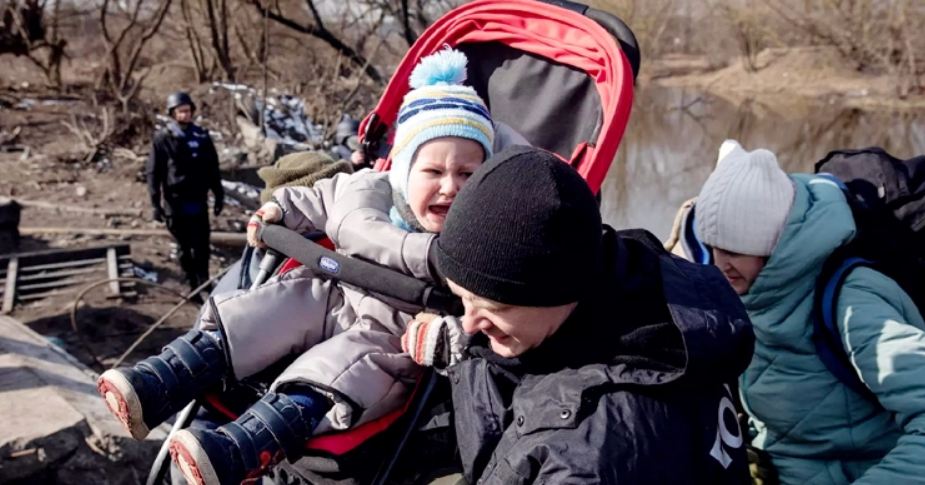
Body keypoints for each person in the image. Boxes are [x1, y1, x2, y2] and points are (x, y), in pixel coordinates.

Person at [99, 48, 496, 485]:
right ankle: (157, 382)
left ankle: (236, 451)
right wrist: (278, 210)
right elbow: (316, 196)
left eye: (467, 174)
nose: (449, 187)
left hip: (391, 330)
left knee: (339, 369)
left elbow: (488, 315)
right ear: (402, 169)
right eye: (433, 170)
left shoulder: (478, 245)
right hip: (331, 289)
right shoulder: (366, 191)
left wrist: (448, 335)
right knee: (268, 306)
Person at [403, 145, 755, 484]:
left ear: (557, 291)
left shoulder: (589, 458)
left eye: (494, 308)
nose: (469, 323)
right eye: (462, 298)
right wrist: (461, 356)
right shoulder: (626, 286)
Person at [693, 140, 925, 484]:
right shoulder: (746, 289)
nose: (718, 263)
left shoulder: (852, 302)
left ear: (775, 243)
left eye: (734, 250)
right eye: (712, 247)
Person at [146, 92, 224, 292]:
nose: (185, 115)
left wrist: (218, 194)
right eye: (180, 112)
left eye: (187, 111)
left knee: (202, 246)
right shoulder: (163, 139)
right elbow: (154, 172)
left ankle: (204, 282)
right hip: (175, 202)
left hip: (198, 201)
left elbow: (212, 168)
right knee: (184, 248)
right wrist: (155, 203)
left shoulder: (202, 136)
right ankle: (191, 285)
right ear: (173, 113)